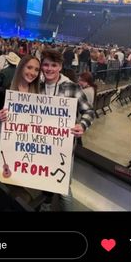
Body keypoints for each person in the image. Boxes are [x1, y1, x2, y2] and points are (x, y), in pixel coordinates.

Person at [39, 49, 94, 211]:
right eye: (46, 65)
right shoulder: (37, 85)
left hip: (63, 147)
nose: (49, 69)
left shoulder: (72, 87)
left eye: (53, 65)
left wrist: (82, 125)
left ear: (60, 66)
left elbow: (89, 111)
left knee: (63, 188)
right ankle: (46, 206)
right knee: (43, 179)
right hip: (41, 144)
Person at [0, 55, 41, 163]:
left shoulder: (40, 94)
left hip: (30, 149)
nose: (32, 73)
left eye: (36, 70)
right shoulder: (4, 91)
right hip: (8, 147)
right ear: (21, 67)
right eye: (29, 67)